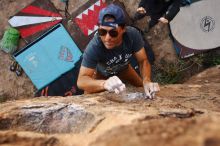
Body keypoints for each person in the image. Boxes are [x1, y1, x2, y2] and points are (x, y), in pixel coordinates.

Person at [77, 4, 159, 99]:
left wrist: (147, 80)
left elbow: (143, 60)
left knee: (142, 87)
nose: (107, 38)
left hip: (124, 68)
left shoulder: (132, 35)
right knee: (88, 101)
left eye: (113, 33)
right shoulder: (95, 46)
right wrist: (104, 83)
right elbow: (81, 81)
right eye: (102, 32)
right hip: (101, 74)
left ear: (123, 29)